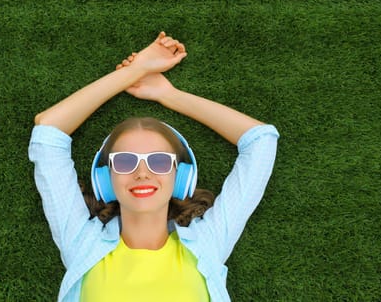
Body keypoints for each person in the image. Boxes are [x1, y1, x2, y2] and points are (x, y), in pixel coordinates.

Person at [28, 32, 279, 302]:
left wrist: (168, 94)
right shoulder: (81, 243)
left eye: (159, 161)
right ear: (105, 178)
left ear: (181, 176)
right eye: (125, 161)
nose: (142, 173)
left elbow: (261, 140)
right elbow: (48, 131)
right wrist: (137, 69)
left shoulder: (208, 244)